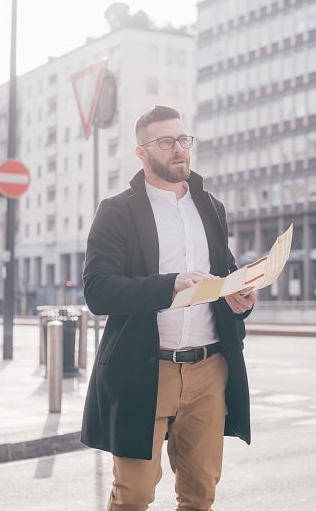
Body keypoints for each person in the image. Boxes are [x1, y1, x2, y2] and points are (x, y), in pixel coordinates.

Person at [80, 104, 256, 511]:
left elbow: (224, 273)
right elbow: (98, 290)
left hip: (209, 369)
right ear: (142, 153)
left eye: (182, 139)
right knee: (134, 495)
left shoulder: (210, 207)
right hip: (145, 370)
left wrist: (241, 299)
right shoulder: (117, 211)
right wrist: (168, 286)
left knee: (200, 494)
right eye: (165, 142)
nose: (178, 149)